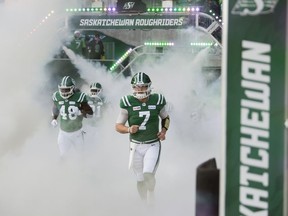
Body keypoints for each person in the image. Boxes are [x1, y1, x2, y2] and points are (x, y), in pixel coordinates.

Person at [115, 72, 170, 205]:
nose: (139, 90)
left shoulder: (157, 99)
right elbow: (118, 126)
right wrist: (128, 129)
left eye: (143, 86)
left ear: (149, 87)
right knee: (140, 179)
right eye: (137, 87)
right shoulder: (127, 102)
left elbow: (166, 118)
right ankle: (144, 205)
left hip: (152, 144)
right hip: (135, 146)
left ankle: (151, 195)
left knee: (148, 174)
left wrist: (163, 131)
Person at [51, 76, 93, 157]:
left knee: (81, 156)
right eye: (62, 89)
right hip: (63, 133)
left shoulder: (79, 97)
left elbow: (90, 114)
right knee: (63, 156)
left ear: (72, 88)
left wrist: (80, 112)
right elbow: (55, 108)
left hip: (77, 133)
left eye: (66, 89)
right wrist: (54, 119)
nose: (64, 91)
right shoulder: (57, 96)